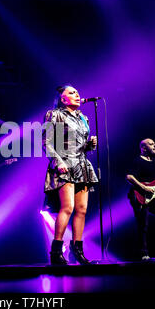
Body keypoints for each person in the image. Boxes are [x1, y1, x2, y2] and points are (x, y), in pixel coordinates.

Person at [42, 85, 98, 265]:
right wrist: (58, 161)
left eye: (77, 92)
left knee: (82, 209)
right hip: (64, 162)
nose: (77, 94)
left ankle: (77, 252)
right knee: (68, 207)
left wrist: (90, 145)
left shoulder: (83, 117)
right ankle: (56, 251)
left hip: (81, 164)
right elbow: (47, 142)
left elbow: (81, 145)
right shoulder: (55, 114)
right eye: (71, 92)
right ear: (62, 99)